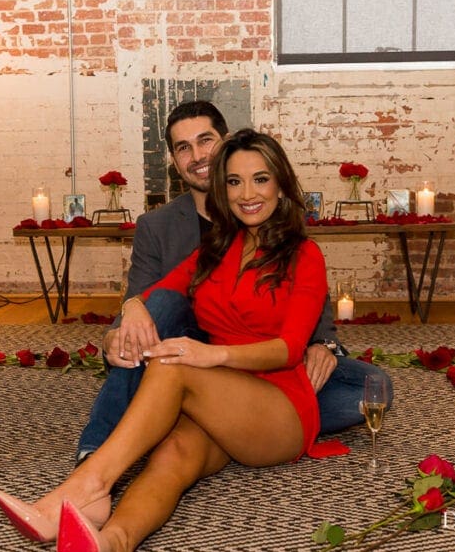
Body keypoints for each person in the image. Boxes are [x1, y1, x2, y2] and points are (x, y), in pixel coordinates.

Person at [0, 129, 333, 552]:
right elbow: (159, 291)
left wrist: (211, 354)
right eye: (234, 182)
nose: (248, 194)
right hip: (222, 400)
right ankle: (114, 547)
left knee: (174, 361)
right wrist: (132, 308)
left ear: (281, 184)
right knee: (172, 454)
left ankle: (86, 487)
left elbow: (290, 348)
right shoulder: (219, 248)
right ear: (223, 190)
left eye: (260, 179)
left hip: (280, 408)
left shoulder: (305, 254)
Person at [75, 101, 390, 464]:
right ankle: (99, 444)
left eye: (205, 140)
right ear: (174, 162)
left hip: (264, 353)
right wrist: (120, 324)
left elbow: (308, 298)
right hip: (186, 345)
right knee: (161, 303)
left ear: (225, 141)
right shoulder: (157, 226)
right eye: (183, 148)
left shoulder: (273, 218)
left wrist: (323, 344)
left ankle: (208, 415)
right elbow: (140, 306)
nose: (197, 155)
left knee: (373, 388)